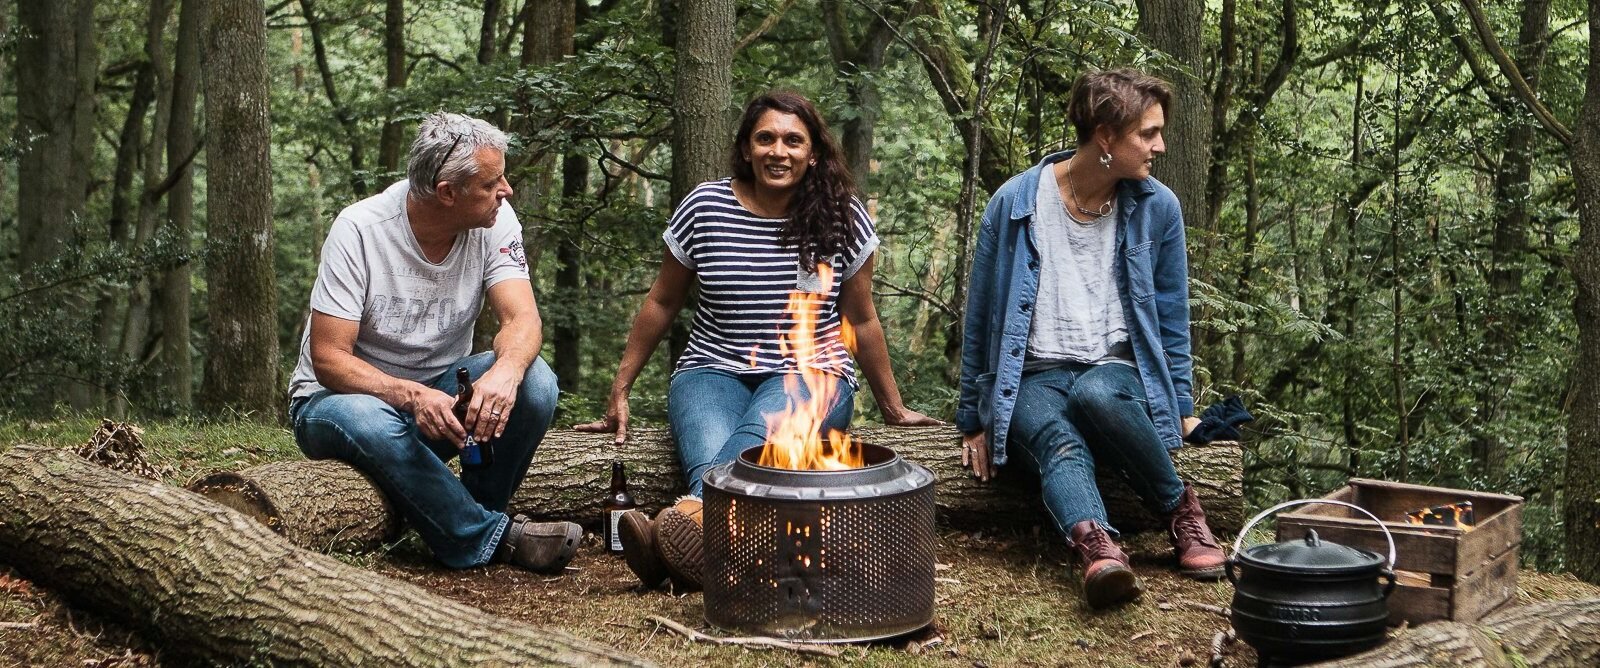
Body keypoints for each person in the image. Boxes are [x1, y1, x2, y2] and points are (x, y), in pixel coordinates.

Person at [576, 91, 940, 591]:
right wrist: (621, 387)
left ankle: (678, 535)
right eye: (765, 138)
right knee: (719, 467)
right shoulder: (705, 207)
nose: (778, 151)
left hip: (812, 374)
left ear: (813, 153)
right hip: (711, 370)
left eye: (794, 140)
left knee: (735, 468)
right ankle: (707, 544)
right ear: (746, 148)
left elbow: (863, 319)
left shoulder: (843, 216)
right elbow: (662, 302)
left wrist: (893, 407)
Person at [955, 69, 1226, 609]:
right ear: (1105, 136)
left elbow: (1171, 320)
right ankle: (1100, 551)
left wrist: (1184, 407)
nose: (1160, 145)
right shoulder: (1014, 203)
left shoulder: (1159, 209)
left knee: (1095, 393)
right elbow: (981, 314)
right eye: (1147, 134)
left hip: (1118, 370)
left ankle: (1182, 513)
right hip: (1032, 373)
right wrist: (973, 419)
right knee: (1058, 439)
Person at [287, 112, 581, 573]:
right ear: (447, 193)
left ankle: (462, 512)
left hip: (441, 403)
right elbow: (328, 359)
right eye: (491, 183)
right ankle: (486, 537)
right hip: (339, 402)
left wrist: (504, 374)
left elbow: (522, 319)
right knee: (370, 416)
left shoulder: (495, 221)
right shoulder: (360, 230)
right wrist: (410, 395)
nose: (507, 191)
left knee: (536, 382)